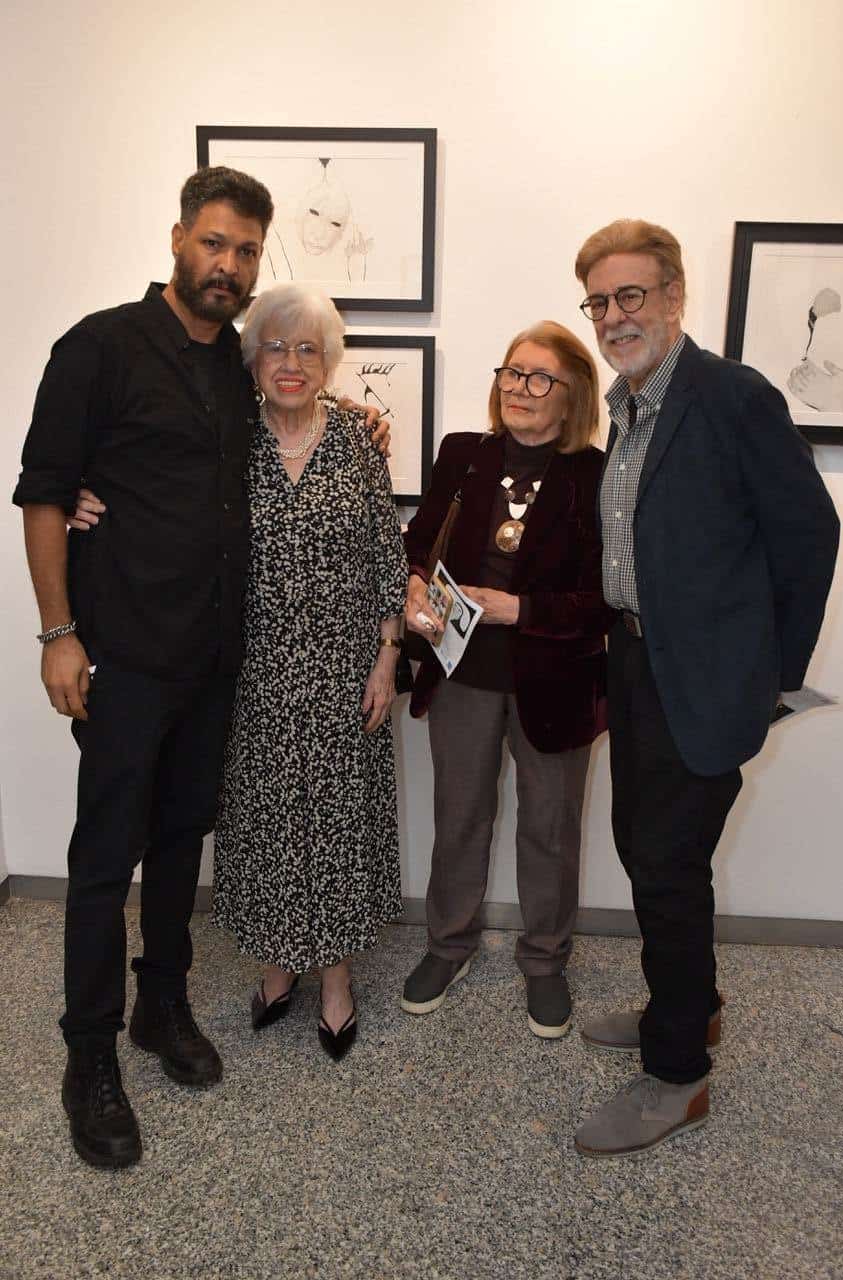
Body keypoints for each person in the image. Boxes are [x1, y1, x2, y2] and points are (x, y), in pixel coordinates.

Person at [13, 167, 385, 1170]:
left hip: (219, 665)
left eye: (247, 252)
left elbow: (299, 419)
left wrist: (363, 424)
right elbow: (44, 492)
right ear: (178, 237)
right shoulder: (97, 348)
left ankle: (161, 1007)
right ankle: (89, 1052)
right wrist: (58, 630)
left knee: (182, 846)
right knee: (104, 862)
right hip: (124, 658)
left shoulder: (240, 367)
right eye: (214, 243)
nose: (228, 265)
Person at [570, 219, 839, 1158]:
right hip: (637, 665)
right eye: (598, 301)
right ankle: (693, 1005)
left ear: (674, 295)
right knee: (645, 850)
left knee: (668, 865)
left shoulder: (731, 397)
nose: (613, 316)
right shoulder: (629, 406)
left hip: (708, 676)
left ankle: (676, 1074)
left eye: (630, 295)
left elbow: (809, 537)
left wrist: (774, 677)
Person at [400, 322, 613, 1039]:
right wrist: (414, 592)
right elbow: (418, 545)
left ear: (572, 392)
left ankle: (545, 962)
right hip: (461, 670)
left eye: (538, 377)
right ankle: (447, 946)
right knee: (459, 816)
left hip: (555, 679)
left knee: (550, 828)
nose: (518, 389)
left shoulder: (593, 473)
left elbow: (603, 596)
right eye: (511, 373)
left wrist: (520, 609)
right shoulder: (463, 456)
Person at [212, 283, 408, 1061]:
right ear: (251, 358)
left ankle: (334, 980)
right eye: (274, 347)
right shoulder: (230, 442)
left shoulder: (358, 444)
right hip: (250, 671)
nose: (290, 364)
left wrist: (386, 658)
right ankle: (274, 965)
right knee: (262, 824)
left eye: (307, 350)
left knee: (336, 826)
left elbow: (384, 560)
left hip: (339, 670)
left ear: (327, 363)